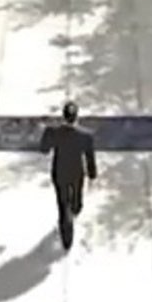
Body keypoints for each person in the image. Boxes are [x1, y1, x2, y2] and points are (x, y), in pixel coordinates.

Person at [39, 102, 97, 250]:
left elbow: (44, 149)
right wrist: (92, 175)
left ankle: (66, 234)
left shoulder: (54, 133)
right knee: (77, 197)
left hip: (60, 172)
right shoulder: (86, 136)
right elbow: (90, 158)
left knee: (62, 202)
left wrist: (46, 133)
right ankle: (75, 209)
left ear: (63, 117)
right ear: (76, 117)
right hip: (76, 172)